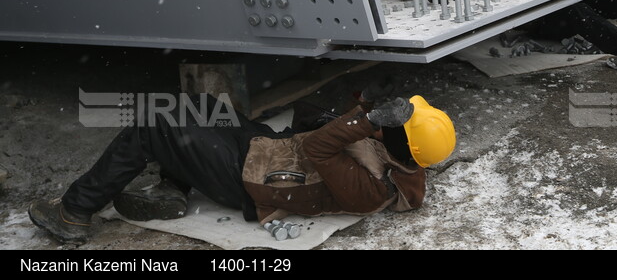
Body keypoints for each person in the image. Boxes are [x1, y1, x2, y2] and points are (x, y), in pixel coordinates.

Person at [28, 92, 456, 243]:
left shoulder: (373, 189)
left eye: (399, 123)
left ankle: (73, 213)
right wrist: (368, 108)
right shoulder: (404, 155)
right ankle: (172, 190)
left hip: (250, 182)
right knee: (205, 108)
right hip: (271, 151)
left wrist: (367, 120)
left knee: (153, 124)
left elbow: (324, 149)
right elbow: (327, 130)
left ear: (398, 138)